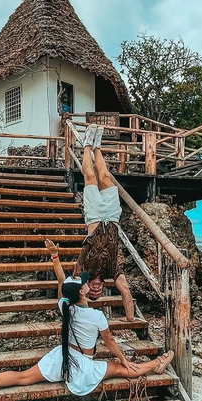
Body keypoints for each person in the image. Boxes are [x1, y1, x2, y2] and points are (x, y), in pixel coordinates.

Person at [0, 239, 174, 401]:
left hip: (62, 357)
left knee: (23, 377)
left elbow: (62, 281)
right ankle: (156, 364)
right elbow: (110, 343)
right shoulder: (96, 315)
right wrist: (123, 358)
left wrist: (55, 257)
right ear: (82, 293)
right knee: (119, 369)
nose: (88, 283)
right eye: (85, 283)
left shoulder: (65, 305)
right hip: (82, 365)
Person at [72, 123, 134, 322]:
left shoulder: (84, 271)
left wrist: (82, 299)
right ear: (104, 288)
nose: (96, 290)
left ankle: (87, 146)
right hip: (113, 217)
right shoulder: (112, 272)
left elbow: (73, 289)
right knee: (106, 176)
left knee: (90, 176)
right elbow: (125, 291)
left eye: (93, 291)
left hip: (96, 215)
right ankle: (97, 146)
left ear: (87, 287)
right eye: (98, 292)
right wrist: (130, 319)